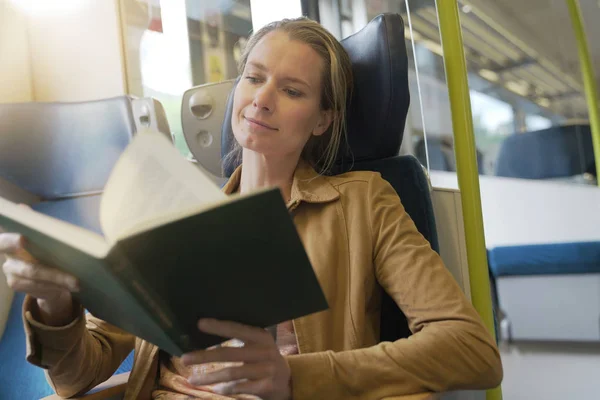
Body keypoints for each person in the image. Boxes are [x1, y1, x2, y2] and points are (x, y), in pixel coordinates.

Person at [0, 17, 502, 400]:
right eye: (253, 78)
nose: (261, 100)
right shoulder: (177, 216)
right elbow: (76, 377)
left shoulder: (364, 201)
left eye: (291, 91)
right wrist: (54, 305)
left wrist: (294, 375)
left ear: (323, 119)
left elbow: (471, 349)